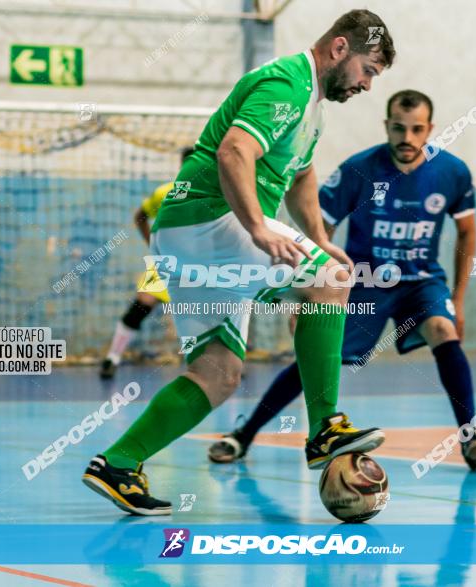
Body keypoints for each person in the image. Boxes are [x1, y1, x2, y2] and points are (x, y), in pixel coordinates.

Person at [82, 9, 396, 515]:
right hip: (213, 221)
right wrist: (255, 225)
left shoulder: (311, 105)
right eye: (368, 71)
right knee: (332, 282)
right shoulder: (287, 82)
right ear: (340, 48)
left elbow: (300, 174)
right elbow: (234, 153)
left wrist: (318, 235)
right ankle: (324, 429)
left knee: (218, 373)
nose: (366, 84)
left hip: (187, 236)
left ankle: (118, 463)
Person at [208, 89, 476, 471]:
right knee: (319, 356)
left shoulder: (452, 172)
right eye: (398, 128)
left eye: (415, 130)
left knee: (444, 330)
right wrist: (308, 293)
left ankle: (470, 435)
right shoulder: (359, 170)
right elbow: (318, 225)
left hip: (422, 282)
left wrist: (458, 300)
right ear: (386, 126)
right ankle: (243, 435)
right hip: (366, 283)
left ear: (430, 130)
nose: (406, 138)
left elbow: (467, 233)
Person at [99, 147, 195, 379]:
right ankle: (113, 357)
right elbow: (140, 216)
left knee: (209, 313)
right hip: (167, 263)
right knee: (142, 305)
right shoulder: (165, 193)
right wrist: (152, 244)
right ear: (182, 166)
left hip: (200, 265)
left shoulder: (216, 195)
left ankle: (222, 365)